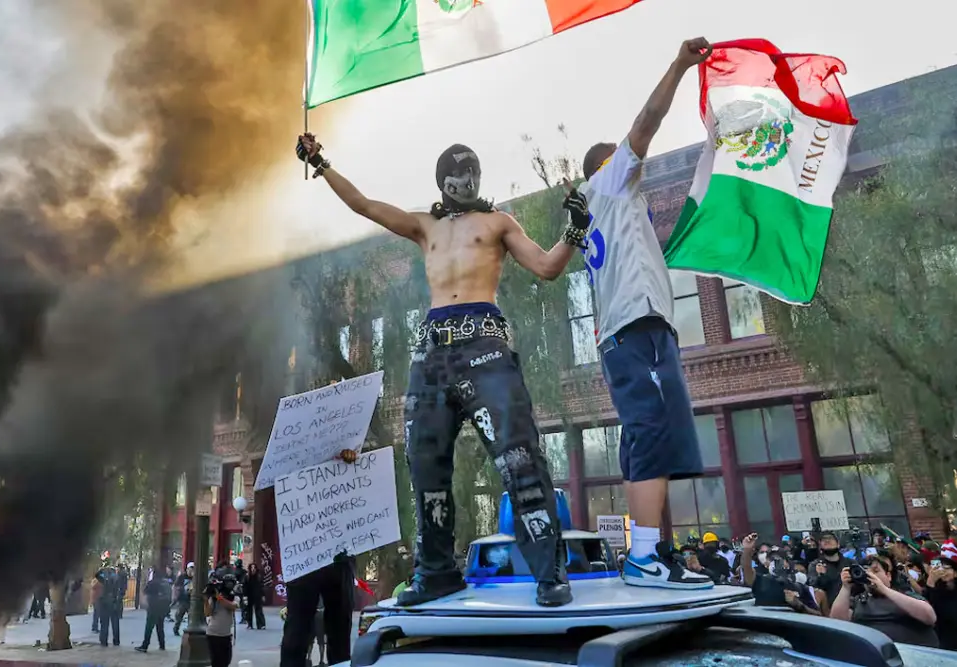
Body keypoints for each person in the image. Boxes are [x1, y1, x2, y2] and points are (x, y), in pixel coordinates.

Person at [297, 125, 586, 608]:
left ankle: (548, 573)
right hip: (431, 350)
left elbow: (547, 267)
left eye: (469, 170)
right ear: (441, 181)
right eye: (454, 172)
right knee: (425, 464)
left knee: (517, 455)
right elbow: (364, 205)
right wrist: (321, 163)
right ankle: (436, 574)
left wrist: (574, 231)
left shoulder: (498, 223)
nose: (463, 178)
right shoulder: (423, 227)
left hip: (485, 344)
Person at [576, 37, 715, 590]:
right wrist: (680, 64)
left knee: (647, 440)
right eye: (626, 155)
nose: (638, 160)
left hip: (635, 330)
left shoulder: (600, 208)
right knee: (653, 433)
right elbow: (649, 120)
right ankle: (642, 556)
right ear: (610, 164)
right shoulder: (608, 183)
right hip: (636, 329)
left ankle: (653, 551)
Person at [279, 450, 361, 667]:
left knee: (340, 631)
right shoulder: (296, 457)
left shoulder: (347, 456)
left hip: (338, 555)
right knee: (297, 631)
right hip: (305, 555)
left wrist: (350, 463)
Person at [830, 554, 937, 647]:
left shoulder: (905, 594)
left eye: (875, 571)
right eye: (866, 572)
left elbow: (929, 617)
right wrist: (845, 588)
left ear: (888, 576)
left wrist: (884, 589)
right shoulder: (859, 600)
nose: (870, 575)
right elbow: (837, 622)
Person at [738, 533, 824, 616]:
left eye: (779, 559)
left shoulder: (800, 587)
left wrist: (799, 605)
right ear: (766, 563)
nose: (776, 563)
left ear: (787, 562)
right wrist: (747, 550)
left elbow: (819, 616)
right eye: (772, 559)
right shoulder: (762, 583)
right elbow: (747, 569)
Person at [205, 569, 239, 667]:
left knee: (226, 661)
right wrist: (206, 600)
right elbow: (207, 613)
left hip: (226, 635)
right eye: (227, 583)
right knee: (216, 663)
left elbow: (232, 606)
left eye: (231, 583)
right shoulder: (215, 598)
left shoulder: (234, 597)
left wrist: (219, 598)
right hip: (213, 634)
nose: (229, 585)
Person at [135, 564, 170, 653]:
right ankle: (162, 645)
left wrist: (145, 603)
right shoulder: (166, 583)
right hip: (162, 608)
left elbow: (146, 592)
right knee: (160, 627)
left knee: (149, 627)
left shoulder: (153, 583)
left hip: (153, 607)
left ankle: (145, 645)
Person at [925, 555, 957, 650]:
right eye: (939, 568)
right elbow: (927, 606)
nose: (942, 571)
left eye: (946, 568)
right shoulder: (933, 589)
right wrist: (931, 581)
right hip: (942, 640)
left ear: (955, 573)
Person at [96, 565, 121, 647]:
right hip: (114, 600)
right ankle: (116, 640)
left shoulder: (104, 578)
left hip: (104, 600)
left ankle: (103, 640)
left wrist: (102, 569)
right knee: (115, 622)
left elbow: (96, 575)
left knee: (104, 622)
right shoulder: (116, 577)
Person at [172, 562, 194, 636]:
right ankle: (176, 628)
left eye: (193, 569)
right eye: (190, 569)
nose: (191, 571)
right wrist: (176, 596)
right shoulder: (182, 576)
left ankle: (190, 629)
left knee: (191, 616)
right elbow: (176, 586)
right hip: (182, 599)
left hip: (191, 600)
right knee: (179, 615)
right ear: (187, 569)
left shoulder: (196, 578)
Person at [245, 563, 266, 630]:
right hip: (249, 596)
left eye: (254, 568)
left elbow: (261, 587)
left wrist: (263, 595)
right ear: (249, 569)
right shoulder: (247, 577)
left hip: (257, 595)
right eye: (251, 568)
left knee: (259, 610)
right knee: (249, 610)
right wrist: (244, 596)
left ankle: (261, 624)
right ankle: (249, 624)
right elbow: (244, 587)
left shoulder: (259, 576)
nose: (253, 569)